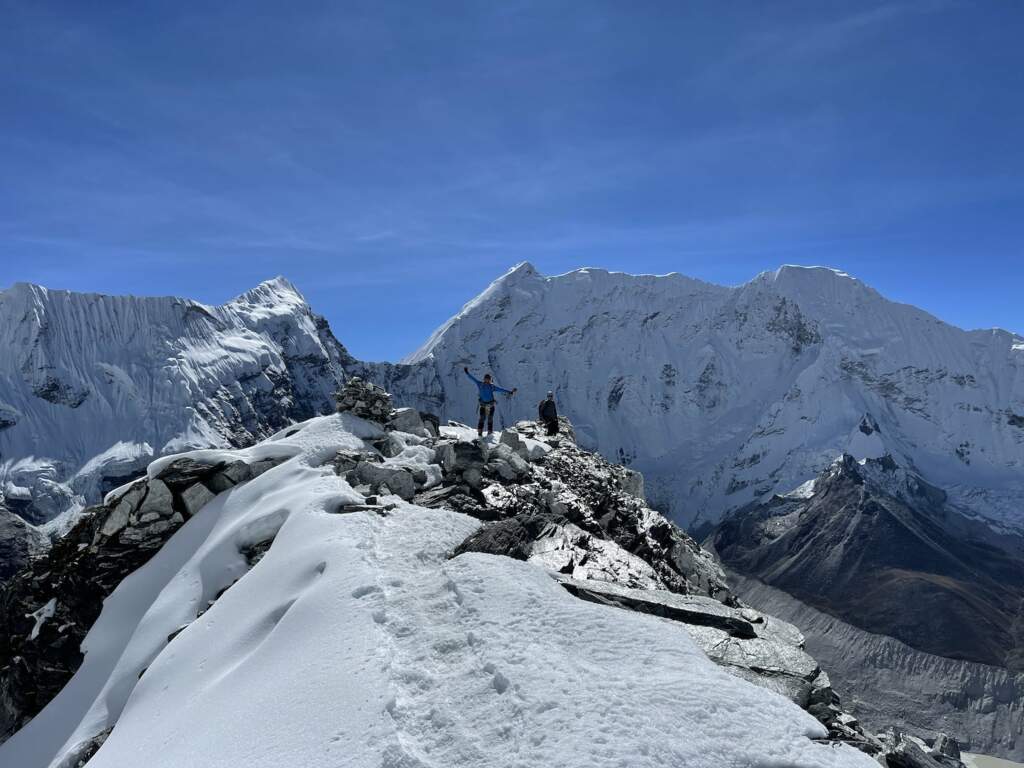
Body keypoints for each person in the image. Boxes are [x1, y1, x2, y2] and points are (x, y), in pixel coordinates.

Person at [463, 367, 517, 437]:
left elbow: (501, 390)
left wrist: (510, 392)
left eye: (488, 379)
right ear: (485, 379)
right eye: (487, 379)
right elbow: (473, 379)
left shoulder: (488, 386)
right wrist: (467, 373)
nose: (487, 380)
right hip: (487, 405)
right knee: (483, 419)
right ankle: (480, 433)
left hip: (487, 405)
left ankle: (488, 433)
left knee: (489, 419)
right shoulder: (485, 385)